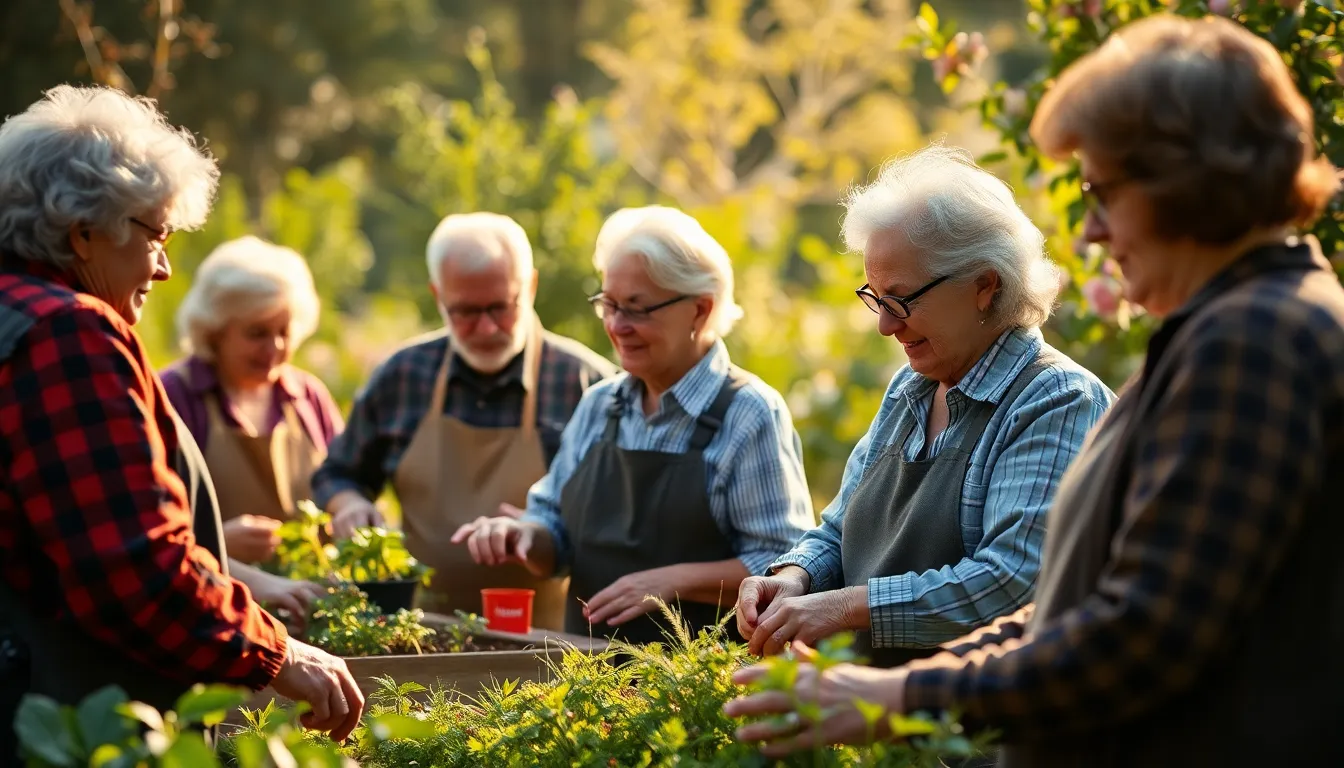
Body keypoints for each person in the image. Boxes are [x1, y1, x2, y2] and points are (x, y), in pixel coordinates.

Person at [726, 14, 1344, 766]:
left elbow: (1137, 635)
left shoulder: (1253, 342)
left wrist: (893, 697)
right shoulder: (1229, 330)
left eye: (1103, 193)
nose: (1090, 234)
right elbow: (1071, 609)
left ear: (1187, 179)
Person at [0, 85, 363, 763]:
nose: (164, 267)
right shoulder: (68, 334)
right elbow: (134, 567)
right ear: (82, 231)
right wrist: (277, 652)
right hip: (73, 731)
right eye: (155, 235)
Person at [734, 144, 1113, 668]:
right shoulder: (909, 390)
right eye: (875, 297)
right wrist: (793, 577)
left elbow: (1012, 582)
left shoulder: (1056, 400)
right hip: (871, 721)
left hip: (973, 737)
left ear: (985, 285)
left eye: (902, 299)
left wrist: (845, 608)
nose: (885, 325)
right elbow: (840, 530)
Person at [452, 206, 816, 644]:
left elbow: (785, 566)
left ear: (700, 310)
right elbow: (554, 525)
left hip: (699, 688)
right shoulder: (601, 405)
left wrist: (669, 583)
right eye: (609, 304)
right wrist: (524, 535)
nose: (616, 325)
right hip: (589, 685)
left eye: (637, 310)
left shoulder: (749, 413)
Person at [311, 212, 617, 628]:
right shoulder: (405, 375)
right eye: (466, 312)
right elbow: (338, 472)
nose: (487, 327)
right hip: (421, 638)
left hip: (552, 648)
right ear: (438, 296)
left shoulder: (586, 385)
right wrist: (348, 502)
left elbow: (616, 524)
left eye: (500, 307)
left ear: (529, 287)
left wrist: (543, 533)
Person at [162, 236, 344, 566]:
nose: (274, 347)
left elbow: (344, 480)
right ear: (215, 331)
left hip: (315, 599)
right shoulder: (175, 396)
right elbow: (150, 521)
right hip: (218, 599)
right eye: (257, 333)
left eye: (284, 331)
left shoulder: (307, 396)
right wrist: (216, 539)